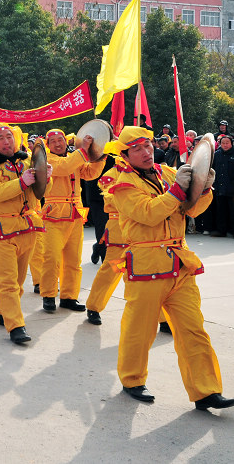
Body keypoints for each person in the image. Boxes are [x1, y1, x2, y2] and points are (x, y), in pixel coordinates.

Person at [109, 126, 234, 410]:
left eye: (149, 145)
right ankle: (132, 380)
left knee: (194, 330)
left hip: (179, 265)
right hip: (145, 268)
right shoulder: (121, 183)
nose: (146, 151)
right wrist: (178, 190)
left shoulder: (167, 172)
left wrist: (204, 189)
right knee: (140, 331)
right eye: (138, 148)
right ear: (126, 155)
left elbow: (191, 210)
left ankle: (206, 391)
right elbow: (148, 213)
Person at [0, 124, 52, 343]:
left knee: (19, 281)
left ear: (16, 138)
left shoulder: (27, 160)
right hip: (3, 229)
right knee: (7, 281)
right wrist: (21, 182)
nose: (5, 141)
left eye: (9, 136)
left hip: (28, 226)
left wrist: (46, 179)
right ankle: (16, 325)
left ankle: (3, 312)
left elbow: (39, 195)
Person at [40, 129, 105, 313]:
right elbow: (64, 167)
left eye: (60, 139)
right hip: (53, 215)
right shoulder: (47, 160)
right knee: (51, 258)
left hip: (74, 214)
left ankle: (69, 296)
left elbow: (90, 173)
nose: (58, 143)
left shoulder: (74, 157)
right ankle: (49, 294)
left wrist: (100, 156)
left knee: (73, 259)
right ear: (48, 145)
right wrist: (83, 150)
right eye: (52, 141)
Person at [84, 155, 129, 325]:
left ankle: (162, 318)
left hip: (145, 235)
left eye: (146, 147)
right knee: (111, 272)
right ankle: (94, 306)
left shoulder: (153, 173)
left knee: (148, 278)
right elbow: (110, 197)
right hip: (120, 233)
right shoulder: (111, 174)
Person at [212, 133, 234, 237]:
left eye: (227, 143)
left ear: (231, 144)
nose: (225, 145)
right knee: (221, 210)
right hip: (219, 186)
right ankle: (221, 230)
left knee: (232, 210)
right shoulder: (217, 154)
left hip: (231, 187)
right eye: (223, 143)